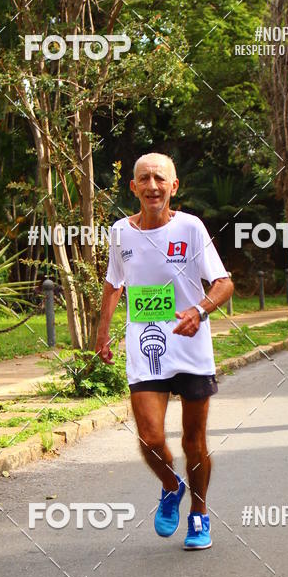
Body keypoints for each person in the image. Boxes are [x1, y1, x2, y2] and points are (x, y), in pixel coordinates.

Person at [95, 153, 234, 549]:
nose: (152, 185)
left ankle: (200, 514)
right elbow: (113, 282)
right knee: (151, 437)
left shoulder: (190, 228)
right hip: (145, 345)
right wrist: (102, 332)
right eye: (144, 178)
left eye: (160, 178)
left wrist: (199, 309)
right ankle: (172, 487)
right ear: (133, 187)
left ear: (174, 187)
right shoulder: (120, 231)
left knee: (194, 441)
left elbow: (223, 283)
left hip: (190, 345)